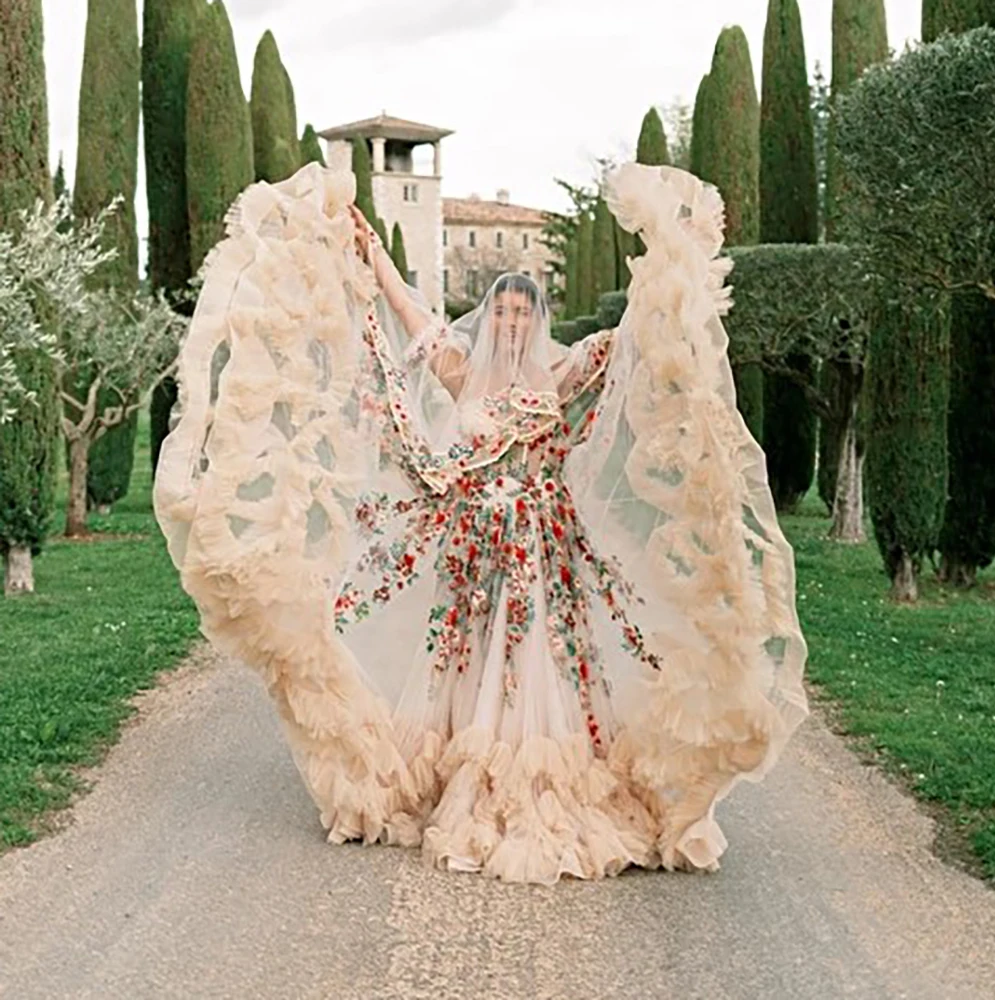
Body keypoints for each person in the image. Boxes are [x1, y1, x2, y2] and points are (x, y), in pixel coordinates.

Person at [154, 161, 808, 884]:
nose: (511, 320)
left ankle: (539, 777)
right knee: (463, 656)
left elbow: (627, 340)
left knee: (533, 657)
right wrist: (370, 254)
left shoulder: (559, 375)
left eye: (523, 311)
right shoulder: (462, 373)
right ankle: (460, 767)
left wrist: (670, 265)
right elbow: (406, 313)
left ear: (538, 318)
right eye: (502, 310)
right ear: (490, 316)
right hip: (471, 545)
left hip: (541, 549)